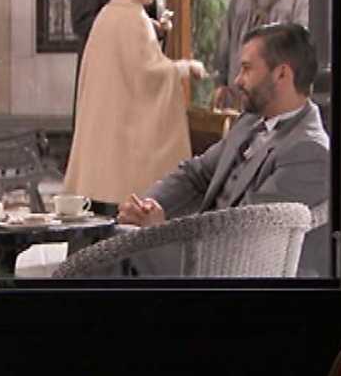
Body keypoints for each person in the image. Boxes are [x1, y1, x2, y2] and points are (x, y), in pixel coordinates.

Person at [118, 23, 329, 275]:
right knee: (108, 246)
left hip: (232, 273)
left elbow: (247, 235)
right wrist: (147, 206)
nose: (237, 80)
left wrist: (160, 233)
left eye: (247, 69)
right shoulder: (249, 121)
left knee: (112, 264)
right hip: (198, 252)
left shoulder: (309, 151)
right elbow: (195, 173)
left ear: (281, 74)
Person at [65, 0, 205, 216]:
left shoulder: (107, 14)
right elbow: (149, 75)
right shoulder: (133, 19)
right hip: (122, 138)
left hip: (103, 132)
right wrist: (185, 68)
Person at [212, 0, 310, 109]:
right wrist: (221, 83)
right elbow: (225, 45)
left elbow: (301, 55)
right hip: (239, 99)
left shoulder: (297, 0)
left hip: (277, 101)